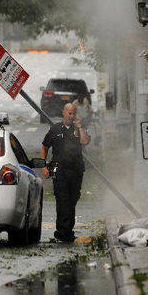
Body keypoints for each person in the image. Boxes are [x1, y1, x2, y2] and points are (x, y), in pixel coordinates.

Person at [41, 103, 91, 242]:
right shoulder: (55, 129)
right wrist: (43, 165)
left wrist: (79, 126)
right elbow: (44, 146)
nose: (71, 116)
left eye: (74, 113)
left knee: (72, 200)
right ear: (63, 113)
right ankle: (62, 231)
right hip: (60, 171)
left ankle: (68, 230)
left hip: (76, 171)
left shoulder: (79, 128)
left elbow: (85, 141)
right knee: (62, 200)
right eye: (69, 113)